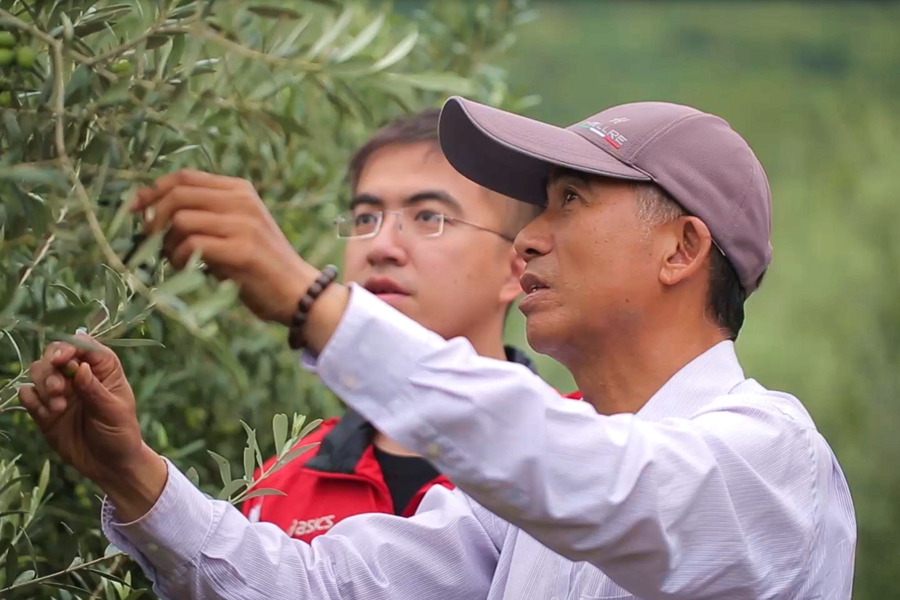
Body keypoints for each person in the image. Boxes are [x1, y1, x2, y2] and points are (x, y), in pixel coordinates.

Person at [20, 96, 857, 599]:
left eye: (568, 200)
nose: (527, 239)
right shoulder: (520, 516)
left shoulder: (772, 460)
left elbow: (588, 475)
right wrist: (133, 475)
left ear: (682, 249)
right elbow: (317, 587)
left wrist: (315, 303)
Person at [240, 109, 542, 541]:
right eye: (365, 219)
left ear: (516, 270)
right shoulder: (280, 482)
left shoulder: (587, 449)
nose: (381, 247)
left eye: (429, 217)